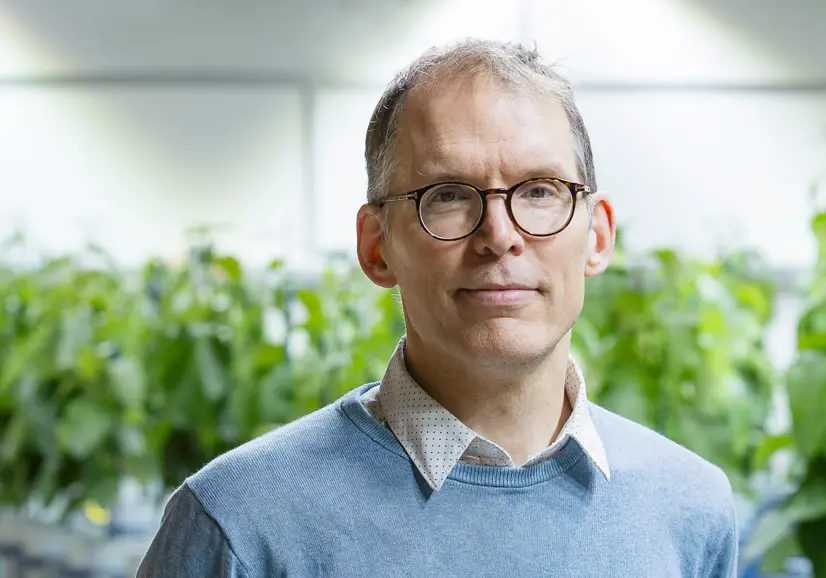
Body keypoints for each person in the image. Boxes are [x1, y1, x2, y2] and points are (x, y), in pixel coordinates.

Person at [136, 38, 738, 577]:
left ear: (597, 236)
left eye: (539, 191)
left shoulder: (690, 511)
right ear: (377, 247)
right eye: (448, 196)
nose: (499, 235)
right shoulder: (241, 524)